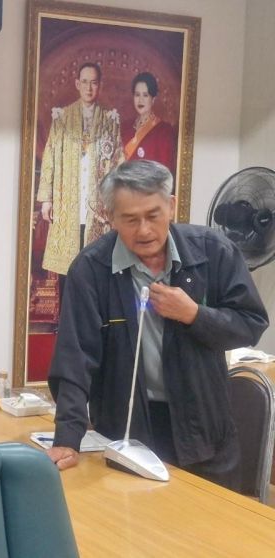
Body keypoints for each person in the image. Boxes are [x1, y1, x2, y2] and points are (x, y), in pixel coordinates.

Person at [45, 160, 269, 490]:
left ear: (172, 206)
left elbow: (251, 324)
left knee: (207, 520)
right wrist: (67, 437)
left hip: (203, 430)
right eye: (130, 219)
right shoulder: (91, 270)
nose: (144, 231)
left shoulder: (214, 251)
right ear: (110, 217)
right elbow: (75, 359)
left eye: (153, 215)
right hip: (127, 431)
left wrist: (195, 315)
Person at [37, 62, 124, 277]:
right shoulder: (62, 118)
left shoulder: (110, 120)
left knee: (95, 271)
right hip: (67, 203)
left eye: (93, 82)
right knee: (68, 272)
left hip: (97, 207)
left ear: (100, 85)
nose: (89, 88)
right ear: (77, 84)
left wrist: (116, 203)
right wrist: (46, 199)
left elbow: (118, 164)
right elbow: (50, 158)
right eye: (84, 82)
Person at [122, 72, 177, 176]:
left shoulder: (164, 131)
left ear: (153, 99)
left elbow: (164, 173)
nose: (140, 100)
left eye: (145, 95)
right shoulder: (125, 127)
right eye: (137, 95)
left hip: (150, 185)